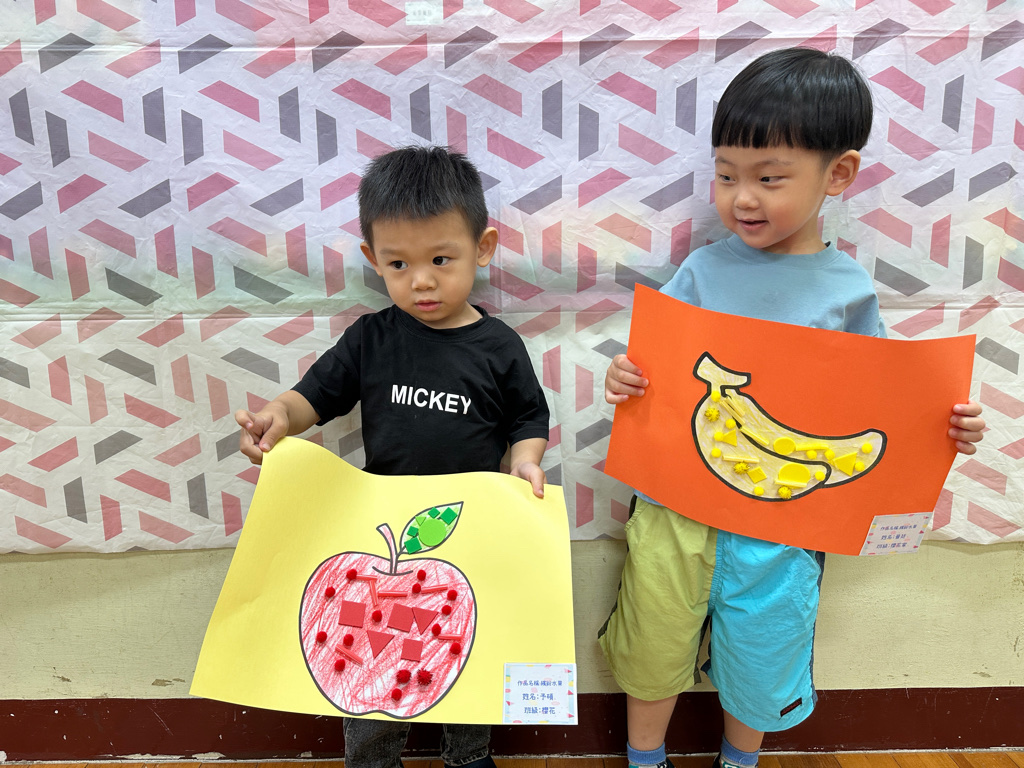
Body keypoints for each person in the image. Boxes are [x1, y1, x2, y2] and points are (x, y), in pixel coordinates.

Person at [599, 47, 986, 768]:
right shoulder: (700, 271)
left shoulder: (847, 290)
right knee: (652, 642)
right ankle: (644, 759)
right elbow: (653, 370)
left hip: (786, 525)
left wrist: (945, 426)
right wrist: (625, 378)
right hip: (676, 511)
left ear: (837, 174)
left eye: (769, 178)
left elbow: (883, 404)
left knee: (765, 651)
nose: (742, 198)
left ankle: (740, 760)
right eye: (726, 175)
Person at [235, 145, 550, 768]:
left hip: (474, 527)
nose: (421, 280)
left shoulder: (499, 346)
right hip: (381, 536)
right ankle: (373, 760)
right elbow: (313, 398)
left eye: (441, 260)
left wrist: (525, 460)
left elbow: (528, 418)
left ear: (483, 248)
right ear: (373, 259)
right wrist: (278, 417)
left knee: (468, 649)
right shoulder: (371, 339)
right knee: (368, 650)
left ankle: (468, 756)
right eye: (399, 264)